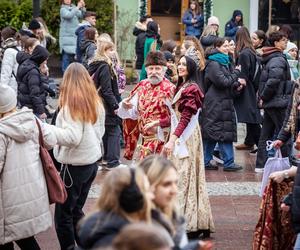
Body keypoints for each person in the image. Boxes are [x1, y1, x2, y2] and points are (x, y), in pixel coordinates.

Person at [44, 62, 105, 250]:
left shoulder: (72, 105)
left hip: (74, 167)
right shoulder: (95, 102)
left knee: (63, 217)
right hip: (90, 163)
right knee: (76, 210)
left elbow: (72, 137)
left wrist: (47, 129)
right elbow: (100, 131)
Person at [161, 55, 215, 236]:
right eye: (180, 63)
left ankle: (190, 223)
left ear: (192, 68)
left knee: (185, 176)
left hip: (187, 137)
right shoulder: (182, 86)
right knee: (183, 176)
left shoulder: (192, 88)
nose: (181, 66)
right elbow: (177, 116)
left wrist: (171, 140)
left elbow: (185, 118)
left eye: (185, 64)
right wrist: (157, 124)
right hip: (182, 135)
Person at [0, 85, 55, 249]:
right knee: (25, 238)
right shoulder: (31, 120)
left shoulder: (2, 132)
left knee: (7, 238)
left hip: (8, 199)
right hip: (30, 193)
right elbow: (51, 141)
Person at [139, 155, 214, 248]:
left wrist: (193, 246)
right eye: (166, 184)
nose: (174, 190)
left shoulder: (175, 219)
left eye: (175, 183)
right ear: (147, 185)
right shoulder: (133, 226)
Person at [118, 51, 175, 160]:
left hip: (163, 141)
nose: (154, 72)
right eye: (151, 68)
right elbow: (133, 113)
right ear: (146, 70)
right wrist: (125, 106)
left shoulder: (170, 89)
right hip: (144, 142)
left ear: (164, 70)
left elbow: (177, 118)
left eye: (157, 69)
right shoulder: (142, 85)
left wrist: (159, 124)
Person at [77, 168, 153, 249]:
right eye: (147, 190)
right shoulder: (114, 239)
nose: (152, 196)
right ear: (134, 197)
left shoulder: (104, 226)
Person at [201, 37, 244, 171]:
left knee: (217, 132)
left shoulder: (225, 61)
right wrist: (237, 73)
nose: (227, 48)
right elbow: (223, 82)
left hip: (223, 101)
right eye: (224, 46)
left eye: (228, 45)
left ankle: (208, 161)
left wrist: (237, 85)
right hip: (215, 103)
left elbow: (227, 83)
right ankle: (226, 162)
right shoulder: (214, 63)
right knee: (218, 132)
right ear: (217, 47)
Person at [255, 31, 292, 172]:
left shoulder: (273, 57)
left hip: (272, 102)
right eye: (283, 40)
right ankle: (288, 164)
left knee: (265, 134)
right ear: (276, 43)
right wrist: (263, 97)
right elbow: (273, 81)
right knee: (285, 134)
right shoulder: (278, 59)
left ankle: (260, 164)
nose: (286, 42)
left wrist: (264, 98)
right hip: (277, 102)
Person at [88, 36, 124, 169]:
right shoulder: (104, 66)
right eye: (111, 50)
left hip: (98, 104)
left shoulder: (94, 64)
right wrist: (115, 105)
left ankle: (104, 160)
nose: (113, 52)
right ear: (104, 51)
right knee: (114, 131)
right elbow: (107, 90)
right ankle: (113, 161)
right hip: (106, 105)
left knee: (104, 131)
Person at [234, 27, 262, 153]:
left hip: (246, 89)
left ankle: (261, 147)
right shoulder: (251, 51)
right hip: (252, 87)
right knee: (251, 118)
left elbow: (243, 74)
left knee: (251, 118)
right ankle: (251, 142)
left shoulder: (244, 53)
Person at [17, 45, 49, 121]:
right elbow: (34, 93)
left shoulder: (25, 65)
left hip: (26, 104)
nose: (46, 62)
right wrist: (41, 111)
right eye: (45, 59)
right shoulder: (33, 72)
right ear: (40, 58)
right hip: (33, 108)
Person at [59, 0, 86, 72]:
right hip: (66, 40)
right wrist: (78, 7)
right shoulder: (62, 9)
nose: (68, 0)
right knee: (66, 61)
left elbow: (81, 15)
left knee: (76, 62)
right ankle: (65, 80)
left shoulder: (74, 7)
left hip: (75, 38)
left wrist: (83, 7)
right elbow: (69, 15)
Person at [0, 27, 20, 93]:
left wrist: (2, 90)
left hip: (11, 87)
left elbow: (5, 73)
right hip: (19, 84)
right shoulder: (19, 47)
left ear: (3, 37)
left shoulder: (8, 51)